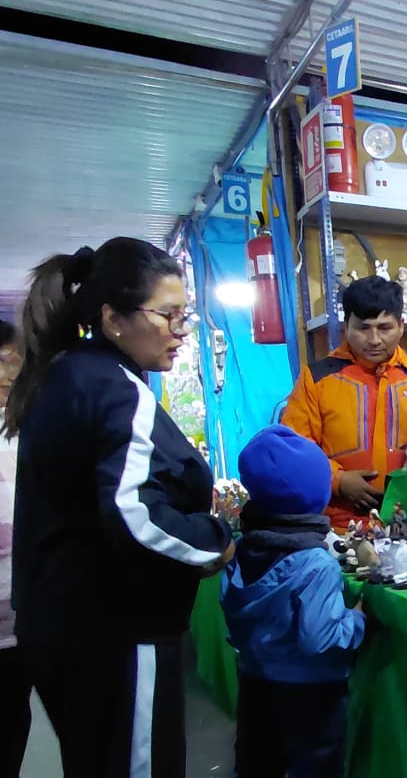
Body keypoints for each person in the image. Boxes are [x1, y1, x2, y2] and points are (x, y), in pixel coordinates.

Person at [4, 238, 234, 777]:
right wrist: (213, 541)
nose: (182, 330)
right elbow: (134, 516)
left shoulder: (67, 375)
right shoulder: (114, 390)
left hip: (64, 629)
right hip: (116, 634)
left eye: (185, 315)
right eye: (168, 315)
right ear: (113, 319)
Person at [221, 425, 365, 777]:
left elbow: (230, 605)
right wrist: (358, 618)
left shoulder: (241, 549)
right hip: (311, 696)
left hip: (255, 682)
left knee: (256, 765)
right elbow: (321, 639)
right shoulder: (316, 564)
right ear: (317, 496)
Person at [282, 276, 407, 531]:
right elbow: (294, 448)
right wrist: (338, 481)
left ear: (401, 326)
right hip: (336, 528)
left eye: (384, 328)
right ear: (346, 327)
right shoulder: (317, 379)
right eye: (363, 328)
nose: (374, 339)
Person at [0, 320, 27, 778]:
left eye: (12, 361)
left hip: (28, 615)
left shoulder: (31, 428)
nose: (7, 372)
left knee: (11, 719)